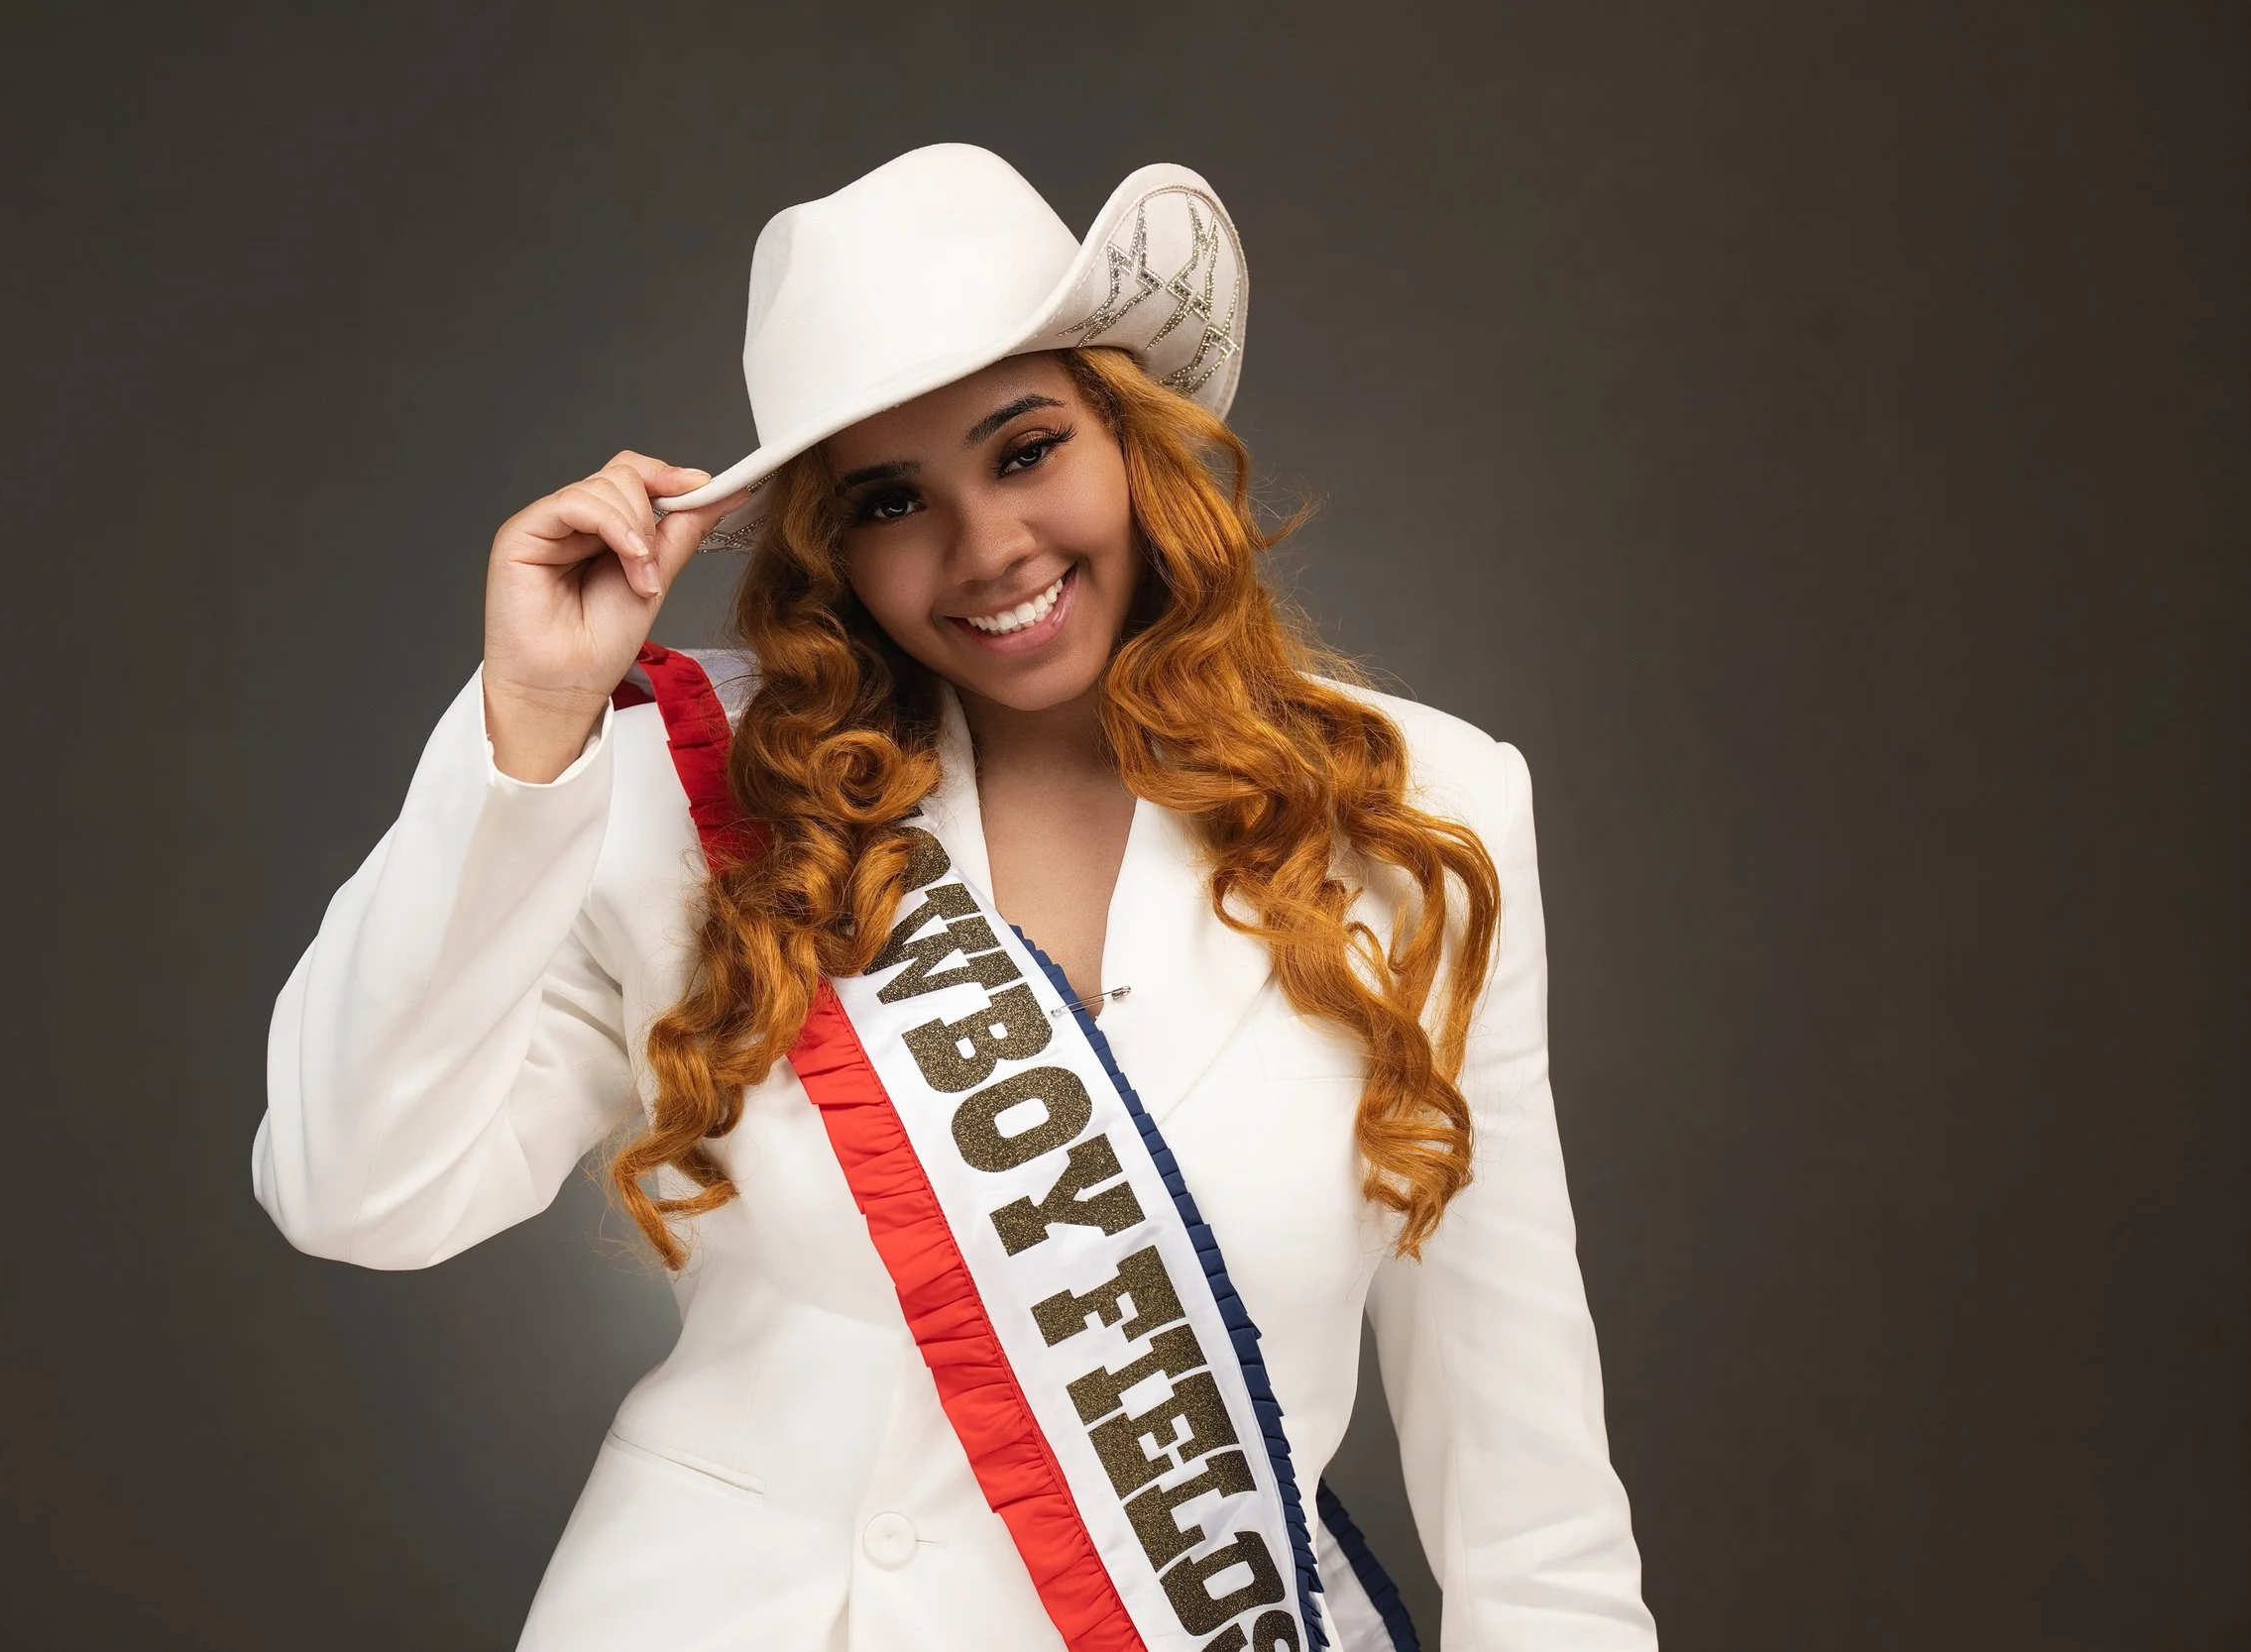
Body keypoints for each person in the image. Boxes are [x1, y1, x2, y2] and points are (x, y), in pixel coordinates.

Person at [256, 143, 1655, 1652]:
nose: (988, 550)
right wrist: (531, 717)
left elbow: (1532, 1513)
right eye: (889, 500)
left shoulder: (1416, 814)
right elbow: (357, 1190)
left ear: (1132, 436)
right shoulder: (695, 798)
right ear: (831, 551)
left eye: (1026, 450)